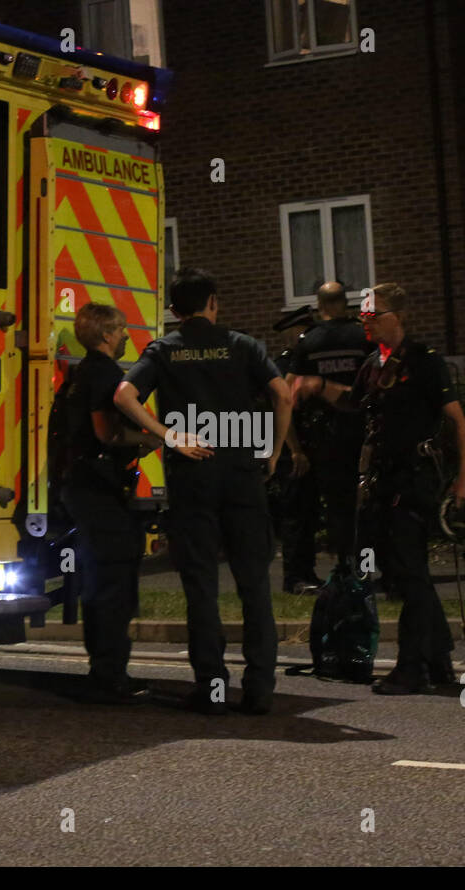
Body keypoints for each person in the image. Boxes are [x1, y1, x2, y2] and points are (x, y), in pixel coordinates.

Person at [114, 268, 292, 715]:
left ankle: (212, 689)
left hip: (193, 477)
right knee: (254, 587)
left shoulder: (165, 350)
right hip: (242, 475)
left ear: (174, 310)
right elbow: (284, 396)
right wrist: (270, 452)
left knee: (201, 589)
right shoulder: (244, 345)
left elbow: (123, 395)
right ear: (213, 302)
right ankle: (259, 691)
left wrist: (168, 436)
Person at [298, 282, 465, 694]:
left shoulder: (424, 361)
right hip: (382, 482)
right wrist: (319, 389)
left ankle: (412, 668)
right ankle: (439, 658)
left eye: (371, 315)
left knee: (409, 574)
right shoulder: (373, 364)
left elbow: (458, 423)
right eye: (363, 314)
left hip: (413, 481)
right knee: (404, 574)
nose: (365, 321)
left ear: (395, 317)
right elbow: (356, 405)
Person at [60, 303, 162, 704]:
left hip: (84, 488)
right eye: (120, 330)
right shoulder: (103, 374)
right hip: (99, 491)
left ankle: (103, 670)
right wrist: (152, 439)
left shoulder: (81, 373)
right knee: (114, 581)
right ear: (105, 335)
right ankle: (110, 676)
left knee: (101, 581)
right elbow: (107, 434)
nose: (124, 336)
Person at [286, 281, 373, 575]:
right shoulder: (364, 336)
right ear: (346, 304)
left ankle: (336, 567)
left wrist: (295, 448)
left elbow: (287, 396)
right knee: (361, 503)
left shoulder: (308, 342)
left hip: (322, 436)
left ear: (320, 306)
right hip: (362, 431)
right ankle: (364, 565)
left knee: (327, 505)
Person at [268, 311, 320, 594]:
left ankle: (307, 572)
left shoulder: (305, 363)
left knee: (308, 514)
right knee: (296, 515)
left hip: (307, 448)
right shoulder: (284, 366)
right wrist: (295, 450)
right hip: (292, 451)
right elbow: (281, 411)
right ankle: (295, 578)